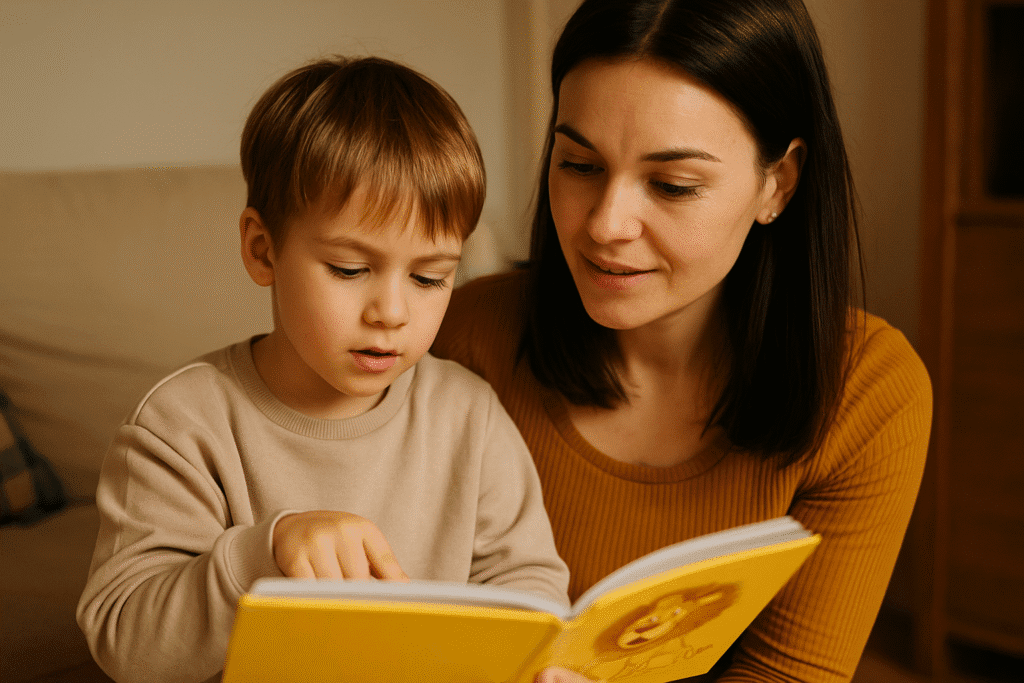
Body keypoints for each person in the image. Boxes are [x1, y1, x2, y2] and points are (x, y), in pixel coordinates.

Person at [432, 0, 932, 681]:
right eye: (579, 164)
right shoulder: (462, 335)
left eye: (672, 184)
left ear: (777, 184)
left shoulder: (866, 391)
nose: (605, 224)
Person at [76, 56, 569, 683]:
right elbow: (126, 641)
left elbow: (527, 584)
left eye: (429, 277)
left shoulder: (469, 414)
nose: (391, 312)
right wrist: (263, 556)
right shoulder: (182, 423)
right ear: (263, 251)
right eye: (349, 269)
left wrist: (539, 659)